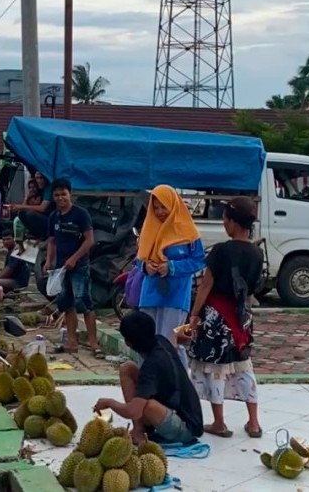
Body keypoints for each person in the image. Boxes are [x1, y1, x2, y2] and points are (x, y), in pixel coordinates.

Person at [187, 197, 263, 439]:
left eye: (225, 219)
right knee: (243, 367)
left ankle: (219, 422)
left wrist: (194, 314)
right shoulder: (257, 253)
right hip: (241, 318)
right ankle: (253, 422)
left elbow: (206, 284)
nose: (223, 224)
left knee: (215, 369)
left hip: (216, 317)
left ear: (233, 222)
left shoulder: (221, 250)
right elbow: (251, 290)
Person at [94, 311, 204, 445]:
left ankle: (143, 433)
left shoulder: (151, 366)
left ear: (128, 343)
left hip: (188, 428)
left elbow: (133, 412)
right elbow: (176, 337)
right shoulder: (160, 340)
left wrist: (109, 403)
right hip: (176, 408)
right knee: (127, 368)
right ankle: (138, 430)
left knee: (146, 406)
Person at [135, 184, 205, 367]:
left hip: (176, 295)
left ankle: (178, 385)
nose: (159, 212)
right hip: (150, 293)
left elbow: (198, 261)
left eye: (163, 207)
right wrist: (145, 266)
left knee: (171, 343)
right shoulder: (149, 228)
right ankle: (146, 382)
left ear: (173, 205)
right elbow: (138, 259)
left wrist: (172, 267)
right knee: (146, 340)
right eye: (155, 207)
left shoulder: (189, 232)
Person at [43, 178, 101, 356]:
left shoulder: (80, 214)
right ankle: (71, 341)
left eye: (63, 194)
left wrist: (75, 258)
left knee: (84, 302)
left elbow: (89, 240)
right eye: (57, 195)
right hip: (61, 268)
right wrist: (48, 261)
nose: (60, 198)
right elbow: (52, 241)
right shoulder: (54, 216)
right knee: (66, 304)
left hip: (79, 267)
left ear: (70, 194)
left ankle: (93, 343)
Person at [12, 171, 53, 239]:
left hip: (50, 219)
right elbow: (23, 208)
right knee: (21, 213)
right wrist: (26, 198)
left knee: (30, 214)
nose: (39, 181)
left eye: (41, 178)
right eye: (37, 178)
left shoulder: (48, 189)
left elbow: (42, 208)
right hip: (41, 219)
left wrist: (21, 206)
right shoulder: (36, 191)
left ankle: (43, 236)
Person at [14, 179, 42, 255]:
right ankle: (20, 246)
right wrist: (27, 198)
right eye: (30, 187)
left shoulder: (40, 196)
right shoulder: (29, 197)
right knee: (17, 221)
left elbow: (37, 205)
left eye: (34, 187)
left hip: (37, 218)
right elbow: (22, 207)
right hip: (27, 217)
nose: (32, 189)